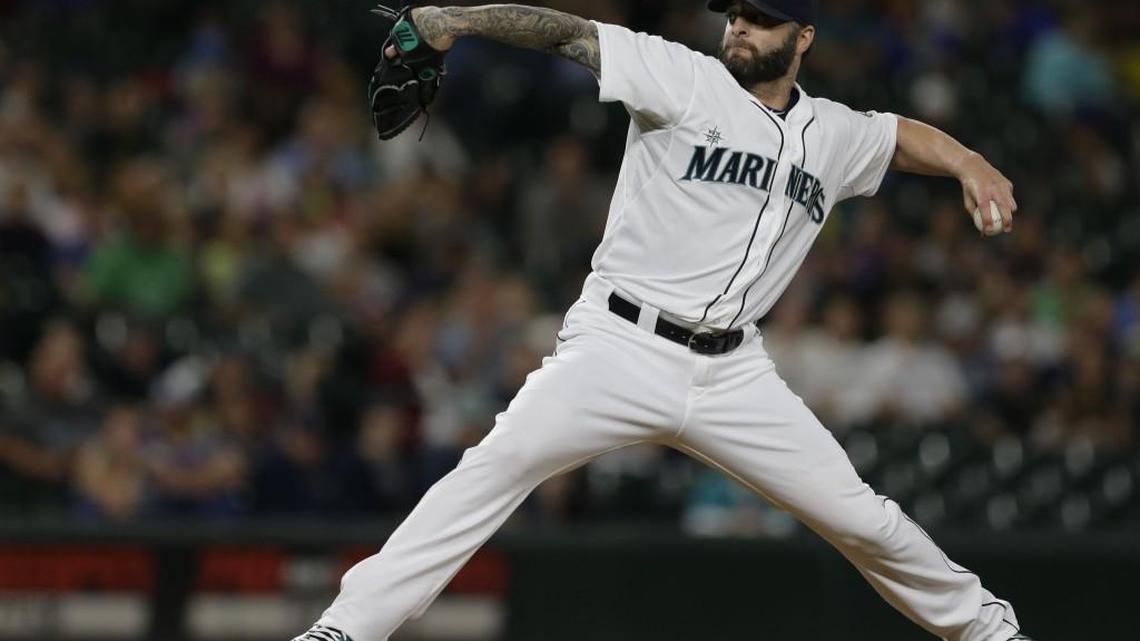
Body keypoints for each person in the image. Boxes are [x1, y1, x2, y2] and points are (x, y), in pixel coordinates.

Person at [294, 2, 1031, 640]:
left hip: (735, 372)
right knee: (497, 465)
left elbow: (897, 135)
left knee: (863, 519)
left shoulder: (831, 133)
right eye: (735, 12)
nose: (739, 24)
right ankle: (347, 625)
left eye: (759, 16)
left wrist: (968, 160)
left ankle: (990, 628)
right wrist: (451, 22)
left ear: (802, 36)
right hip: (618, 343)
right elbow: (571, 34)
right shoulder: (682, 75)